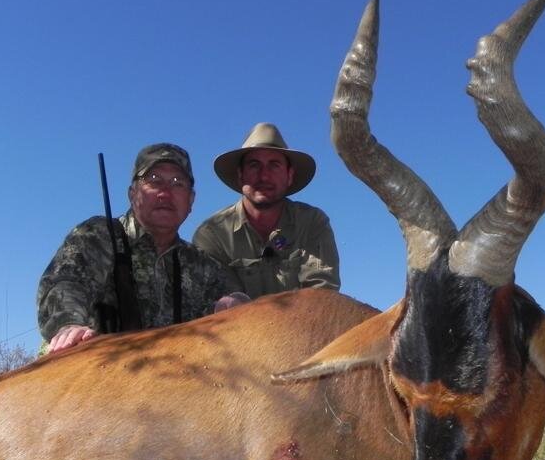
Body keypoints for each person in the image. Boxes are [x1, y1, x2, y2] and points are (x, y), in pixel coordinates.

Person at [37, 143, 233, 353]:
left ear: (191, 200)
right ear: (133, 194)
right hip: (96, 367)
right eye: (154, 181)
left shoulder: (203, 266)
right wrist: (69, 324)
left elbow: (221, 316)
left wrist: (233, 305)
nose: (165, 193)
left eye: (178, 183)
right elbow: (65, 283)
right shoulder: (98, 235)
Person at [193, 123, 340, 299]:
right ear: (240, 175)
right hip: (238, 326)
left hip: (305, 324)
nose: (264, 176)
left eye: (274, 165)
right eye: (254, 165)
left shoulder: (312, 223)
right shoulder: (212, 235)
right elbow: (221, 306)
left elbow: (322, 295)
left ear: (290, 175)